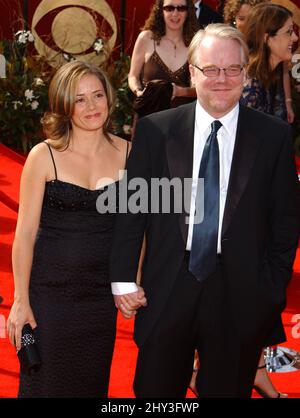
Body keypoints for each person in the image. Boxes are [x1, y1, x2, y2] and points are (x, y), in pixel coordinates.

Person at [110, 23, 300, 398]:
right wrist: (122, 279)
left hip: (240, 294)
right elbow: (133, 211)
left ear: (245, 74)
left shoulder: (273, 136)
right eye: (211, 69)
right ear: (193, 73)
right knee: (155, 395)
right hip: (167, 286)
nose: (221, 79)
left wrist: (269, 291)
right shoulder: (155, 131)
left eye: (232, 69)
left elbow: (285, 223)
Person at [6, 60, 135, 397]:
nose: (92, 106)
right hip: (49, 297)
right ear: (64, 104)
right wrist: (21, 300)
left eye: (97, 95)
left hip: (98, 299)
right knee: (45, 386)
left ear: (109, 97)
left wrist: (130, 280)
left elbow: (136, 229)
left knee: (90, 385)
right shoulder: (44, 155)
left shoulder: (129, 154)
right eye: (80, 99)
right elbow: (25, 235)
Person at [224, 0, 296, 123]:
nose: (295, 37)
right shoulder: (249, 86)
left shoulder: (271, 69)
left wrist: (288, 102)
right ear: (266, 38)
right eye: (288, 32)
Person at [128, 0, 198, 119]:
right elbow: (132, 76)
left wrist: (178, 91)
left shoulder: (195, 43)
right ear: (160, 10)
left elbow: (199, 88)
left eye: (181, 8)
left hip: (182, 120)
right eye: (169, 8)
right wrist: (139, 92)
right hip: (149, 118)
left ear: (188, 11)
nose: (175, 13)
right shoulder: (146, 38)